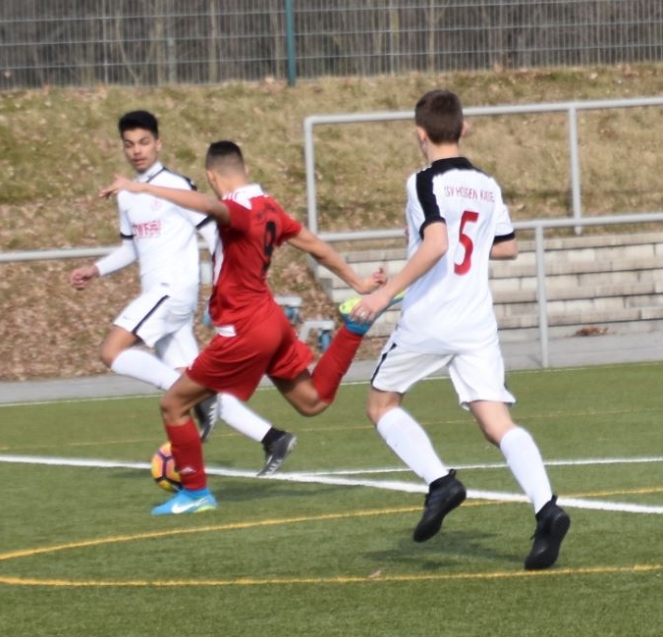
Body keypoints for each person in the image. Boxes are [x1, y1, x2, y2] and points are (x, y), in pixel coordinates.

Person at [100, 141, 389, 515]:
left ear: (211, 176)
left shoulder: (237, 210)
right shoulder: (269, 208)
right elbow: (315, 246)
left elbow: (209, 206)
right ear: (246, 169)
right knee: (312, 401)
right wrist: (358, 283)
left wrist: (142, 187)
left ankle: (195, 493)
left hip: (244, 329)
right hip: (271, 321)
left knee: (173, 404)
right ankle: (353, 327)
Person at [346, 89, 570, 570]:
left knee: (381, 405)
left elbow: (436, 244)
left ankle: (440, 482)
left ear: (419, 134)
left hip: (431, 316)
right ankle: (547, 509)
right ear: (463, 129)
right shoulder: (487, 184)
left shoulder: (423, 180)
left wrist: (386, 294)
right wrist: (466, 241)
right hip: (475, 322)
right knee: (497, 424)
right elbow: (507, 247)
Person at [71, 110, 299, 475]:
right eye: (129, 144)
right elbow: (131, 248)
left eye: (144, 142)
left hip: (172, 291)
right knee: (199, 382)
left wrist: (232, 284)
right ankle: (273, 438)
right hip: (160, 298)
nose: (137, 150)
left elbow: (215, 233)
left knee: (111, 351)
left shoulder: (176, 186)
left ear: (158, 143)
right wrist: (95, 269)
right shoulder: (127, 195)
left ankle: (202, 402)